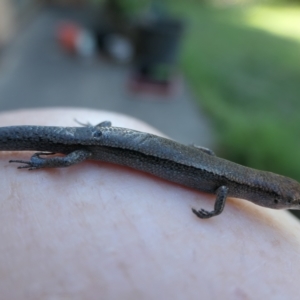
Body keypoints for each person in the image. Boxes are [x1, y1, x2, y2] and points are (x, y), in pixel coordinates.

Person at [1, 108, 300, 299]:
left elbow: (205, 153)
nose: (290, 204)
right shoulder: (227, 186)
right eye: (288, 201)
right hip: (92, 144)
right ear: (271, 198)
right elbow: (220, 189)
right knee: (70, 160)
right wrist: (215, 212)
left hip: (102, 136)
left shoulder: (235, 181)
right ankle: (39, 163)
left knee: (75, 148)